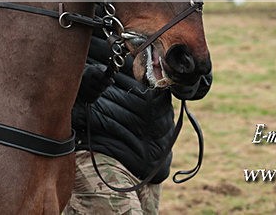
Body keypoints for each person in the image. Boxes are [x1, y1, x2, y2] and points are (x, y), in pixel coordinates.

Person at [64, 33, 212, 214]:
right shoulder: (77, 6)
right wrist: (77, 78)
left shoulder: (168, 8)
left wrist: (186, 74)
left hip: (152, 164)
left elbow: (202, 78)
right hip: (96, 149)